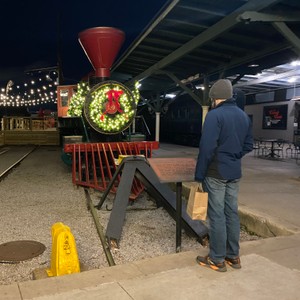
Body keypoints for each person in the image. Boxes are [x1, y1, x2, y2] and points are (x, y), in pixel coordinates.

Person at [195, 79, 253, 272]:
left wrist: (199, 175)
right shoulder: (244, 116)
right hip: (234, 172)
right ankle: (233, 256)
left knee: (217, 215)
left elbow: (206, 148)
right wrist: (234, 156)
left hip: (216, 172)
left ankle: (217, 258)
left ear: (214, 98)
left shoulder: (214, 116)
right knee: (231, 213)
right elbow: (248, 146)